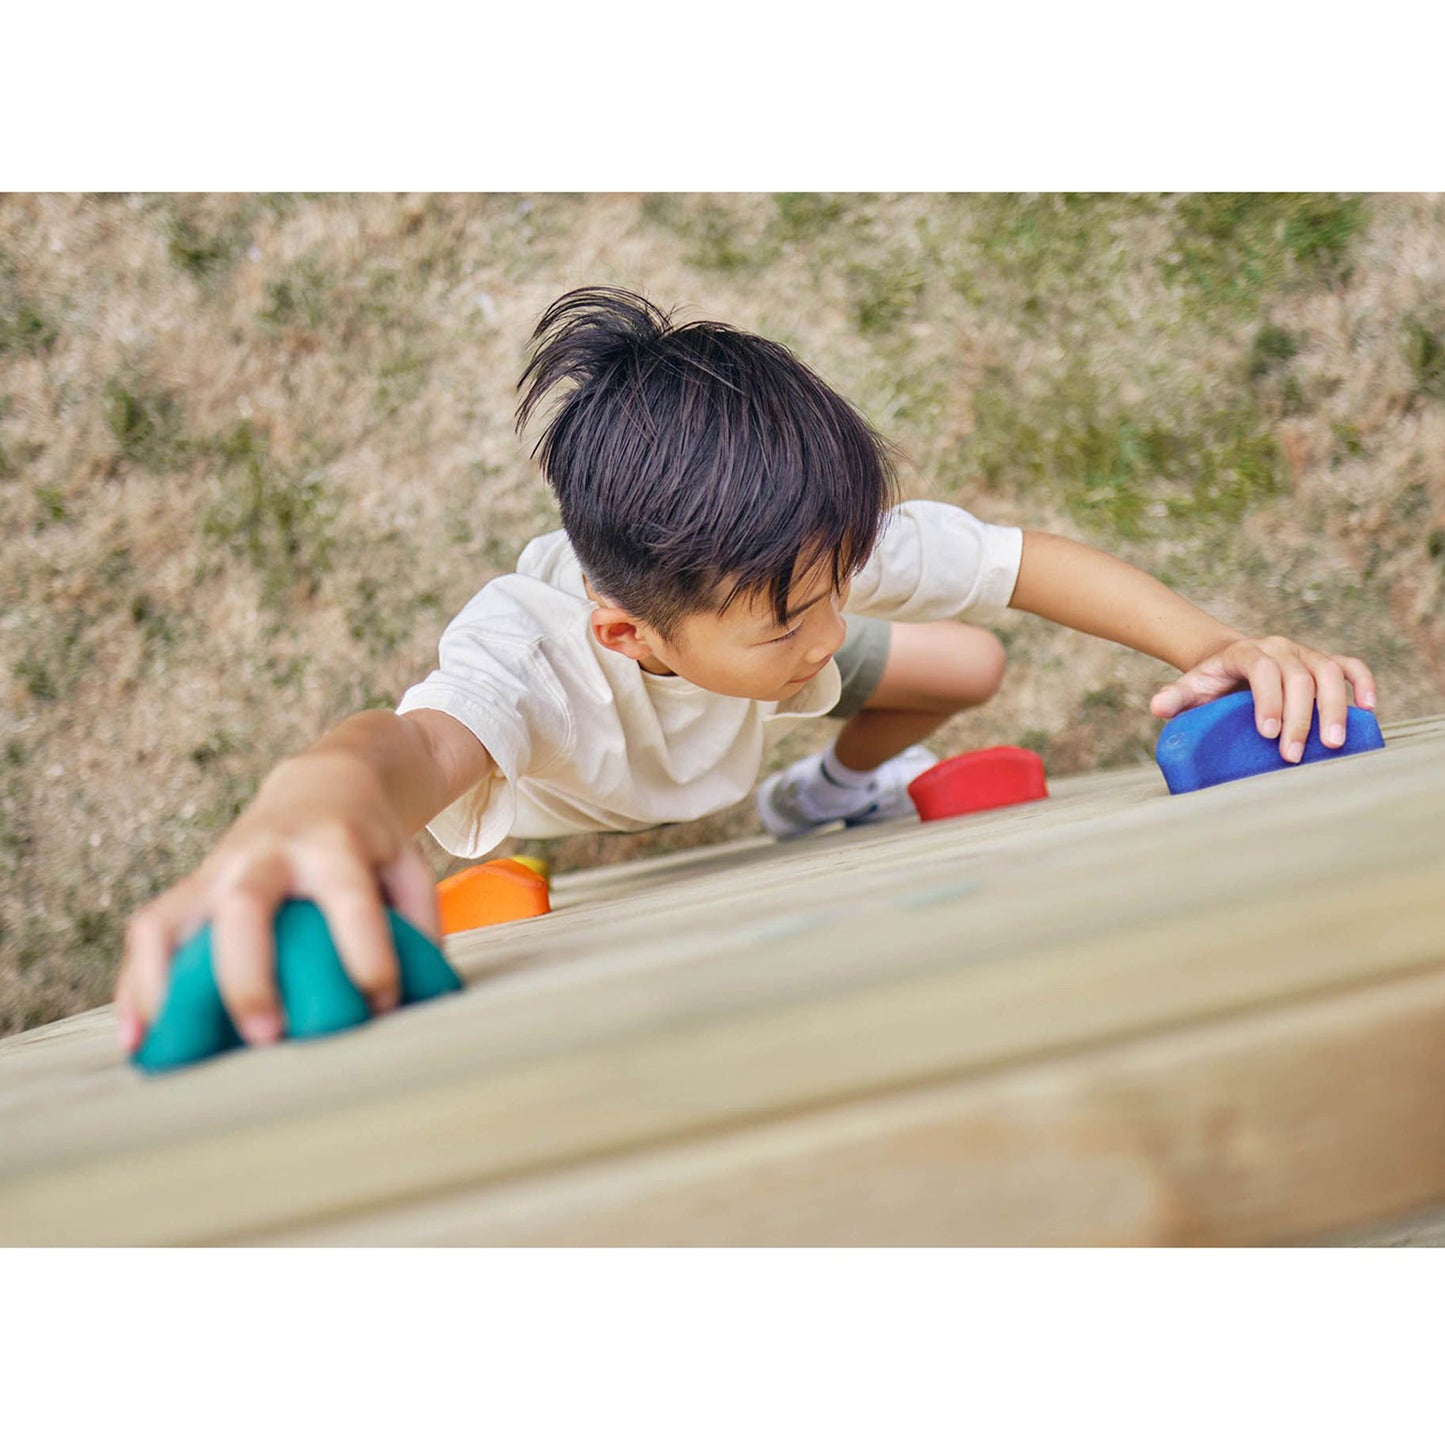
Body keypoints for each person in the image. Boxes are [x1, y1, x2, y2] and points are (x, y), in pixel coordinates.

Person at [113, 286, 1379, 1053]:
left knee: (966, 657)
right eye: (790, 619)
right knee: (496, 850)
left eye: (833, 593)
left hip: (736, 703)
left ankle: (819, 795)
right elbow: (406, 748)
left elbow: (1023, 563)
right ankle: (538, 854)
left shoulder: (791, 559)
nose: (825, 629)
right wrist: (309, 799)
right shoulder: (530, 656)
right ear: (629, 633)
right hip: (555, 787)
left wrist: (1212, 644)